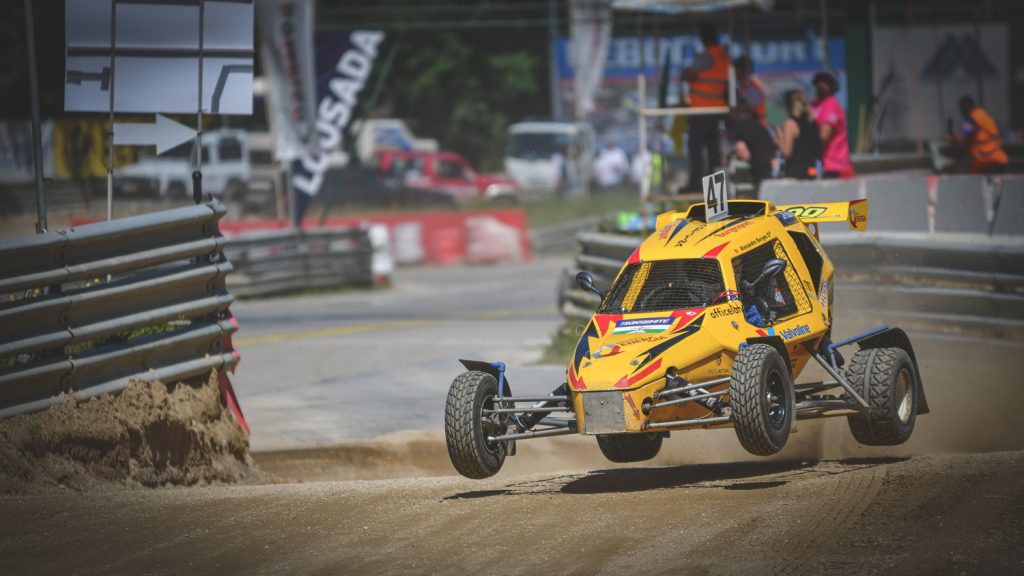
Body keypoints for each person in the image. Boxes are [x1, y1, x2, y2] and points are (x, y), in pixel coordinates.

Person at [681, 22, 730, 191]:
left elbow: (687, 75)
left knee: (695, 147)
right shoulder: (724, 56)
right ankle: (716, 189)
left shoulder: (705, 56)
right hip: (716, 110)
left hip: (701, 110)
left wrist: (685, 72)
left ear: (705, 38)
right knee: (713, 150)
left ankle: (695, 184)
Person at [810, 71, 855, 179]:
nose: (821, 85)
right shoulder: (814, 104)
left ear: (832, 86)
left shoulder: (831, 104)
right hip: (820, 164)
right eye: (819, 82)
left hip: (835, 164)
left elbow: (824, 135)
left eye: (825, 82)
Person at [727, 103, 775, 192]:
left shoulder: (736, 128)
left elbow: (745, 154)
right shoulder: (757, 124)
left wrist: (734, 155)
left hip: (759, 163)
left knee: (761, 191)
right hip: (772, 159)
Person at [954, 95, 1008, 174]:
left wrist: (952, 138)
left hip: (990, 162)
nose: (960, 111)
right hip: (994, 161)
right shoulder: (982, 115)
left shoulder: (973, 117)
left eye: (961, 108)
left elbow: (963, 135)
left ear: (965, 107)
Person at [776, 89, 822, 179]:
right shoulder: (813, 123)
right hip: (813, 172)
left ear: (788, 105)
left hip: (796, 174)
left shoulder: (790, 123)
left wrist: (780, 136)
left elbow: (786, 152)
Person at [735, 56, 767, 127]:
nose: (735, 73)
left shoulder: (753, 87)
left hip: (756, 127)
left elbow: (746, 111)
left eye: (736, 70)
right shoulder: (744, 86)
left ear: (742, 71)